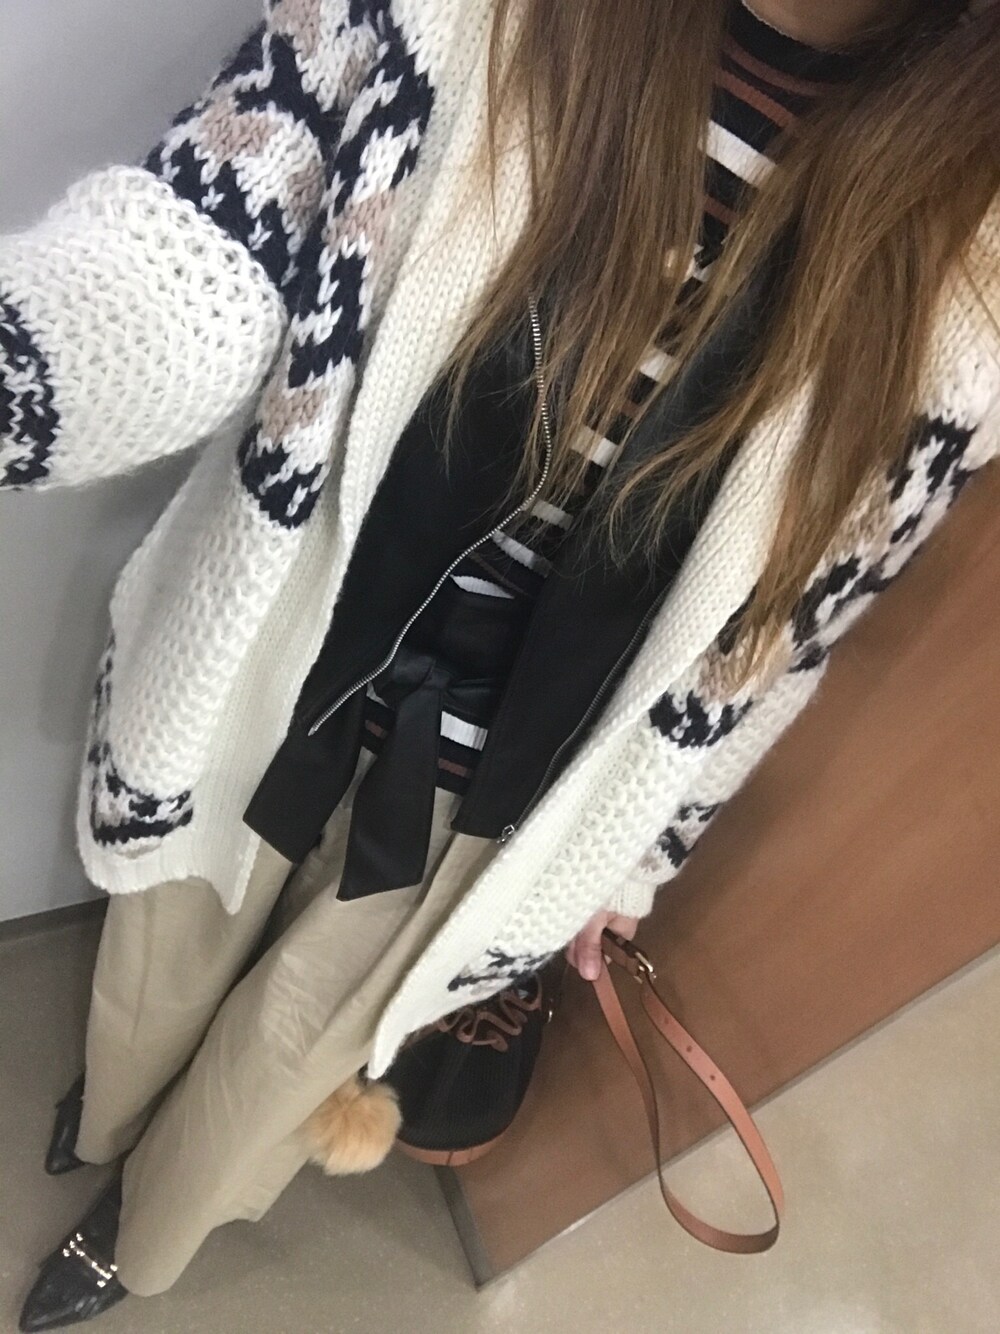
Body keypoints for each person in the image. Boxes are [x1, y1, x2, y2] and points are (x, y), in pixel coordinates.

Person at [4, 0, 998, 1326]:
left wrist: (643, 856)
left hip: (516, 774)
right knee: (161, 945)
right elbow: (197, 260)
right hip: (279, 647)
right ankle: (111, 1115)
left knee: (287, 1062)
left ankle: (142, 1242)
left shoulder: (978, 262)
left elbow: (794, 625)